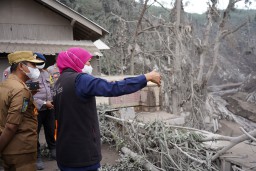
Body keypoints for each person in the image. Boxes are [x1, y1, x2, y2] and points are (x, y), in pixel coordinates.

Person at [53, 47, 161, 171]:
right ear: (76, 62)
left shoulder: (58, 83)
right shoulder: (80, 80)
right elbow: (113, 88)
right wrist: (146, 77)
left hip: (65, 153)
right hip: (82, 155)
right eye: (87, 62)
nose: (89, 65)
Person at [0, 51, 44, 171]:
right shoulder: (20, 90)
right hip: (21, 150)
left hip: (10, 149)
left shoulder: (5, 85)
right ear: (21, 66)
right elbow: (11, 126)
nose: (36, 69)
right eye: (33, 65)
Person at [30, 53, 56, 170]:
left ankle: (53, 151)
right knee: (34, 133)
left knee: (51, 130)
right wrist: (44, 103)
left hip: (49, 109)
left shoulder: (46, 73)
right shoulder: (30, 75)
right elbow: (29, 95)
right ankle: (37, 156)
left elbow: (51, 88)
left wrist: (52, 100)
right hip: (37, 109)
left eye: (41, 60)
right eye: (37, 60)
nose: (39, 62)